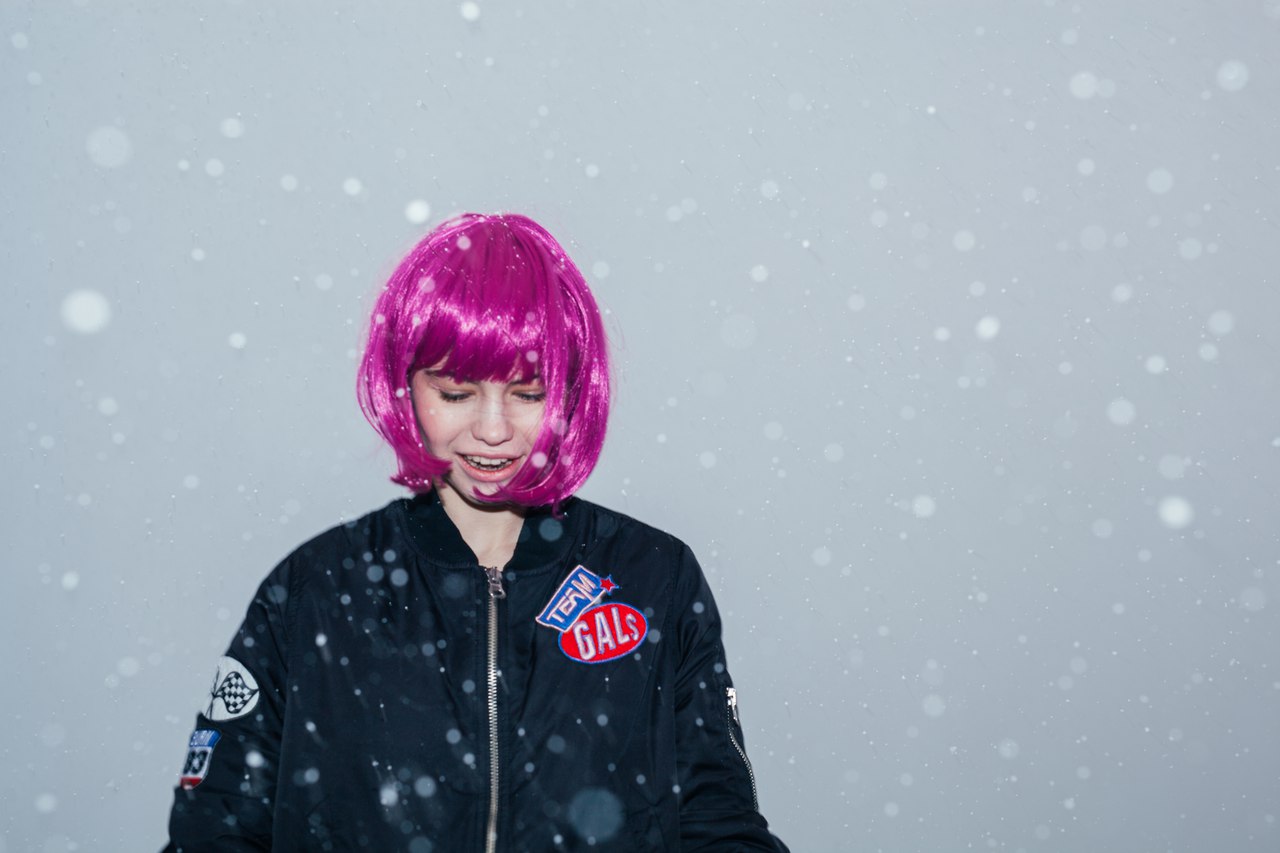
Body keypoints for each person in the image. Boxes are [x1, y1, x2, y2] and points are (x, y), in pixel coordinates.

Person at [163, 213, 789, 851]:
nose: (493, 430)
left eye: (528, 393)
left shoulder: (653, 574)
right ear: (405, 388)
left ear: (572, 392)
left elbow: (719, 822)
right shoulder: (316, 589)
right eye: (457, 393)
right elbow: (214, 832)